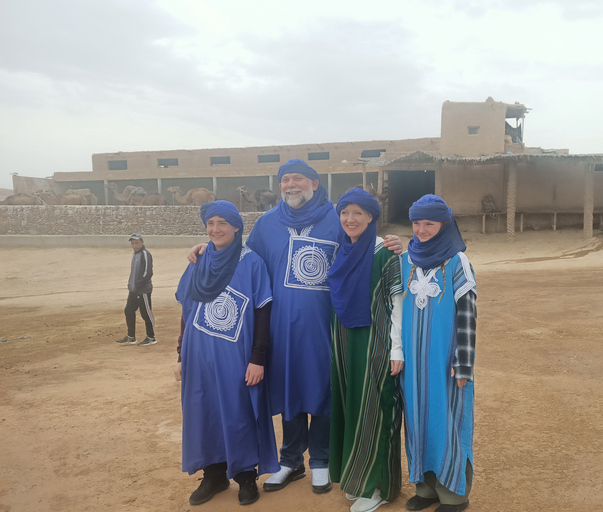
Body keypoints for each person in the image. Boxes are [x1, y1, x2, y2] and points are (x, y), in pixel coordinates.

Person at [187, 159, 402, 495]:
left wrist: (393, 243)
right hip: (279, 328)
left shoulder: (339, 218)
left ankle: (320, 459)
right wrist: (208, 249)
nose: (290, 184)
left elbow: (364, 243)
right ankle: (291, 460)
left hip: (326, 325)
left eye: (297, 178)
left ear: (315, 184)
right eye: (284, 179)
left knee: (323, 390)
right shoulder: (267, 224)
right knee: (289, 390)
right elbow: (243, 261)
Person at [174, 201, 279, 506]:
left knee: (238, 412)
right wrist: (181, 355)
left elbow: (262, 312)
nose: (215, 229)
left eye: (222, 223)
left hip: (235, 355)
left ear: (236, 227)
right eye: (210, 223)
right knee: (203, 410)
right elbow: (187, 310)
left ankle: (245, 475)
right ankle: (214, 475)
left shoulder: (251, 263)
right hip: (198, 354)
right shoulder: (199, 260)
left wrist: (257, 358)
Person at [326, 189, 404, 512]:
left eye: (358, 213)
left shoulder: (385, 253)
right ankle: (357, 478)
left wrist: (396, 348)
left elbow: (397, 303)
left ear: (371, 217)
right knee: (352, 408)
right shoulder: (341, 251)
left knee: (376, 408)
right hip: (345, 343)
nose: (350, 219)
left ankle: (379, 488)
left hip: (375, 343)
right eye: (345, 213)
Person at [400, 195, 477, 512]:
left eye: (428, 223)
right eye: (416, 223)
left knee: (447, 422)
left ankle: (454, 495)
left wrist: (462, 364)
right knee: (417, 422)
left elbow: (467, 316)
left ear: (444, 224)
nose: (421, 229)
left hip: (445, 364)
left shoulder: (457, 262)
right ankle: (426, 488)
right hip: (412, 364)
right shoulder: (406, 260)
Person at [116, 234, 156, 346]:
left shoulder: (145, 254)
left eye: (136, 243)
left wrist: (139, 284)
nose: (134, 245)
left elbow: (148, 272)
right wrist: (131, 284)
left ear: (142, 242)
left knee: (146, 314)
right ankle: (131, 337)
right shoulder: (135, 254)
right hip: (133, 290)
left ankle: (151, 337)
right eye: (132, 243)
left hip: (143, 290)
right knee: (128, 310)